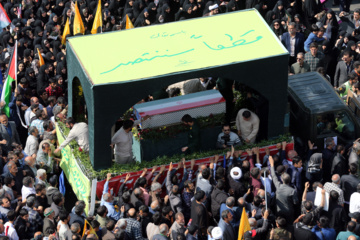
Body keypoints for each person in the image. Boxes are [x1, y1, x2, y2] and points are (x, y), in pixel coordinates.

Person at [269, 156, 299, 223]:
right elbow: (295, 202)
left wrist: (272, 165)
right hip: (289, 212)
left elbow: (273, 176)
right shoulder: (292, 191)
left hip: (279, 211)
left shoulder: (278, 186)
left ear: (282, 180)